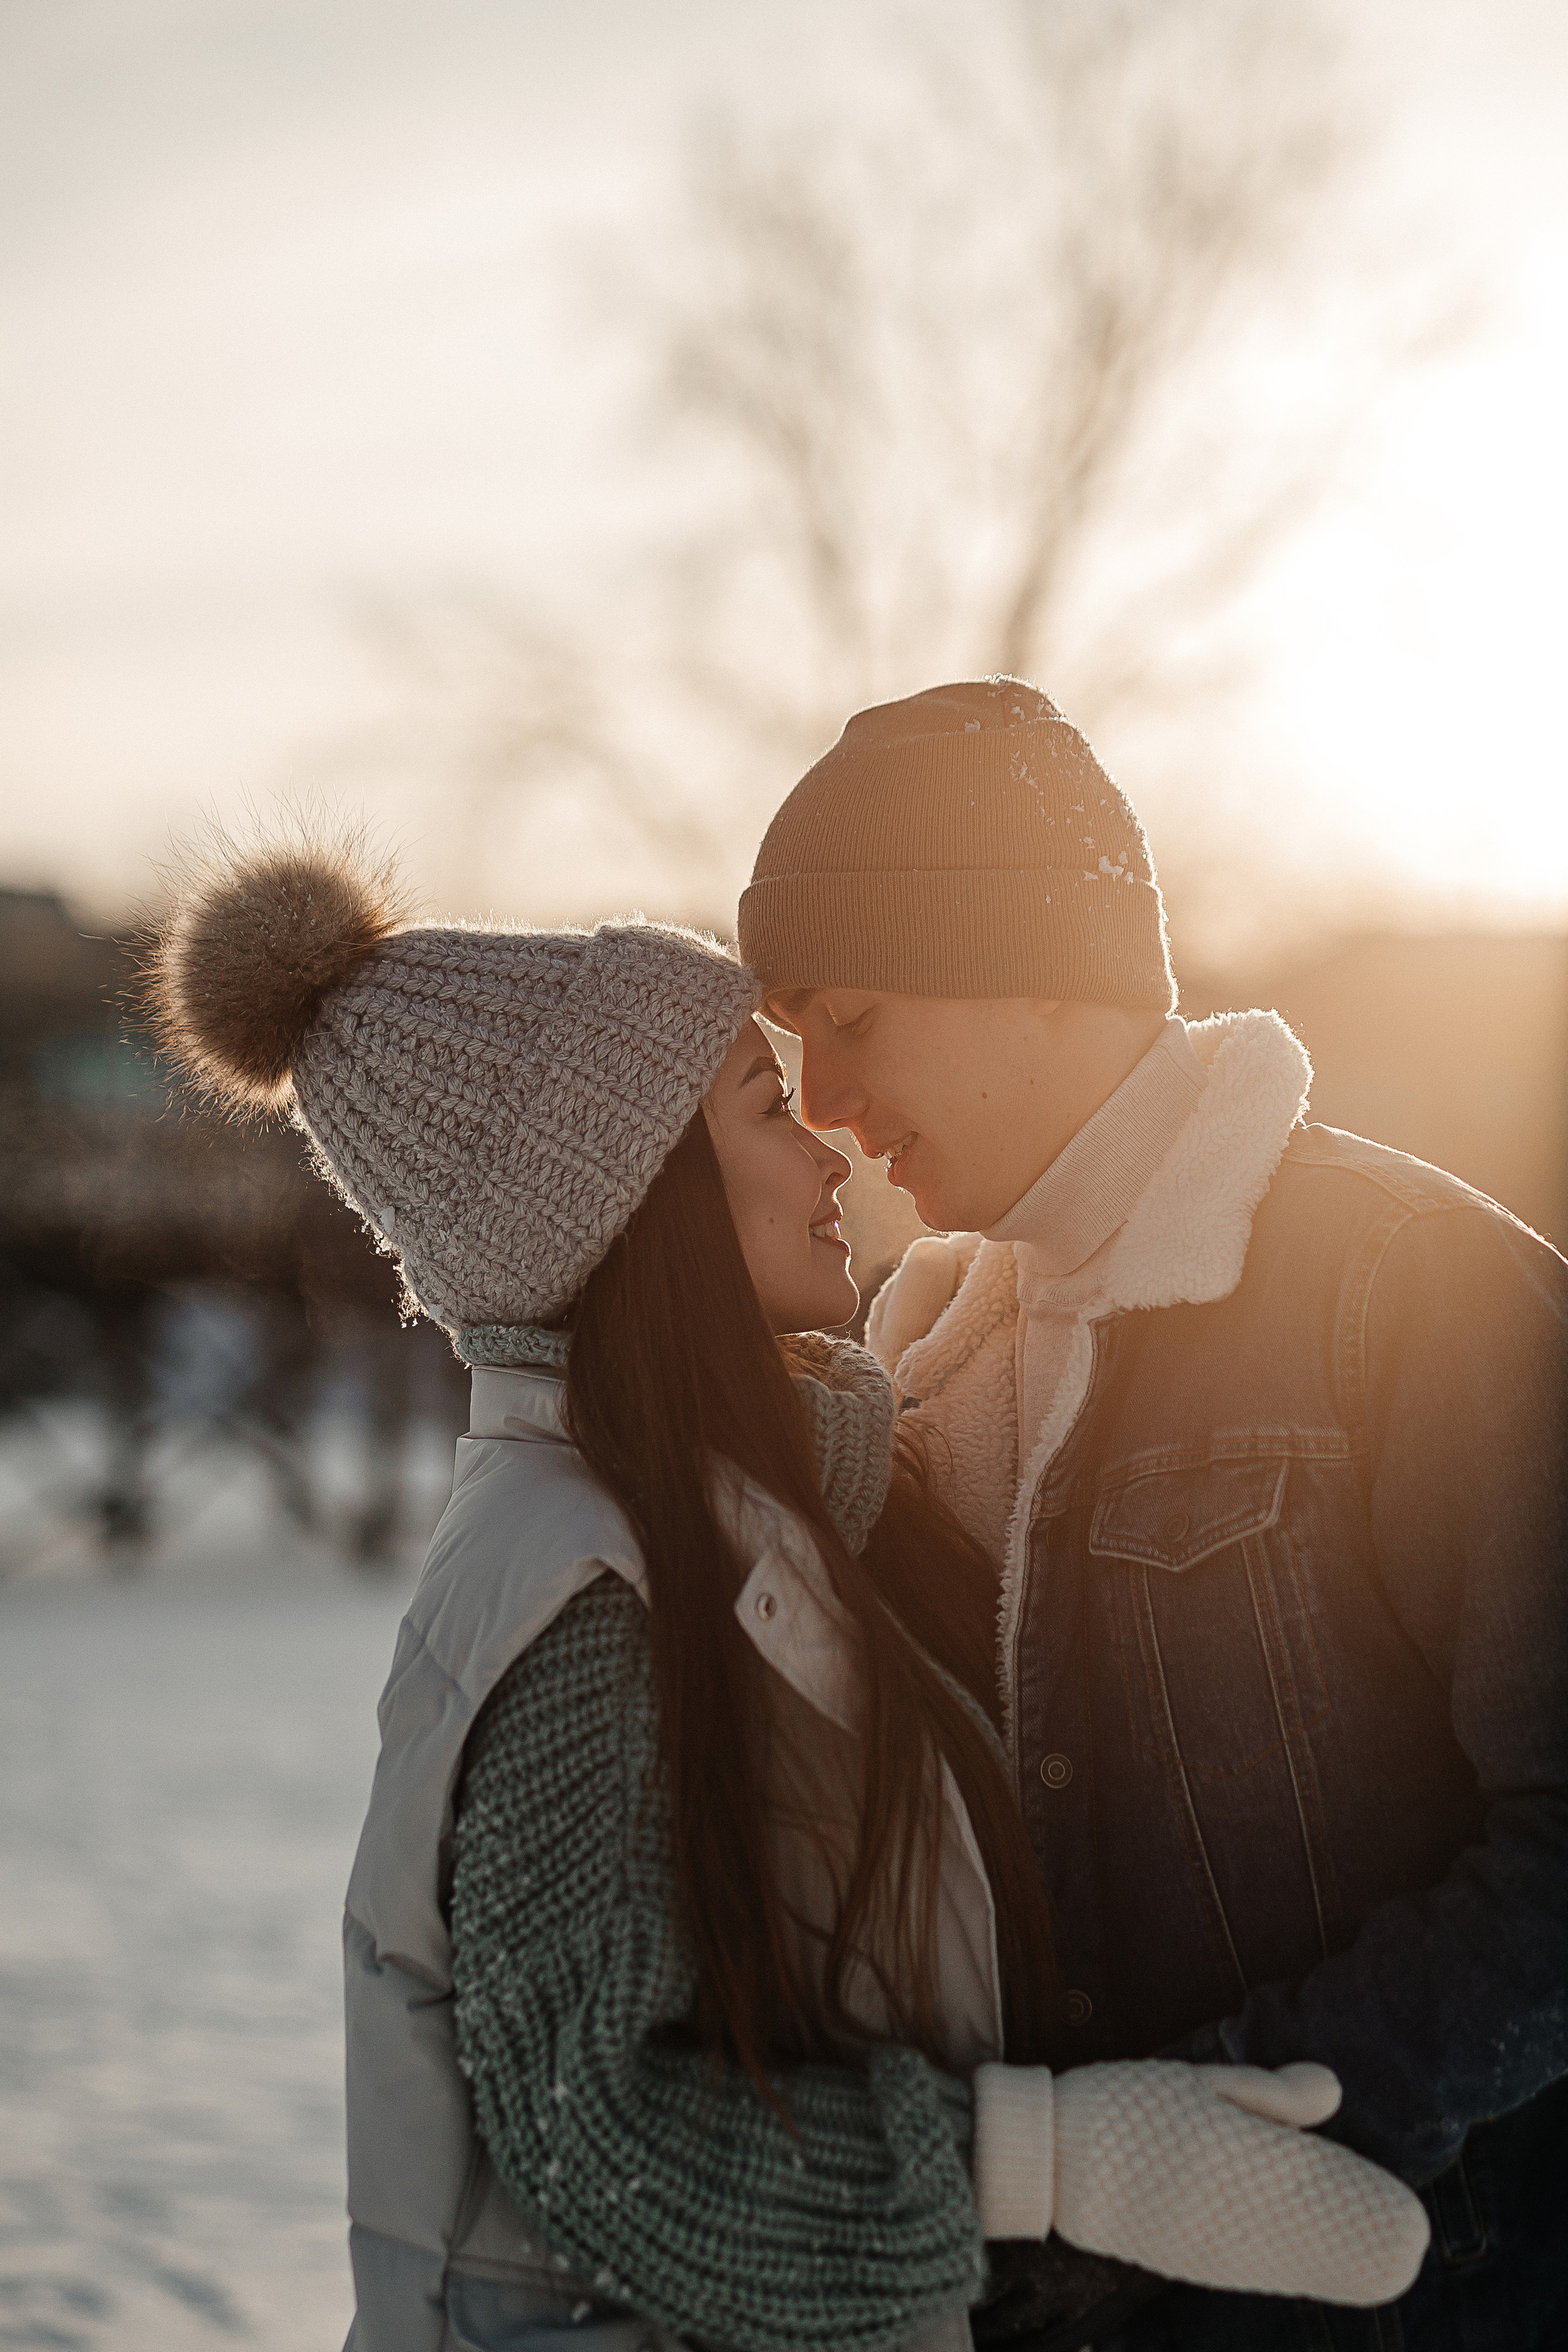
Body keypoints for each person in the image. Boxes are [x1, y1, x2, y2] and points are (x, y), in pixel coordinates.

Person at [149, 831, 1429, 2352]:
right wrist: (1069, 2169)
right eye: (766, 1105)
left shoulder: (738, 1516)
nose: (829, 1148)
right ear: (633, 1201)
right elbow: (606, 2144)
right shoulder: (581, 1593)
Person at [737, 676, 1568, 2352]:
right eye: (792, 1041)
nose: (820, 1097)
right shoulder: (908, 1357)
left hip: (1408, 2303)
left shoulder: (1413, 1292)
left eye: (857, 1018)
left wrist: (1222, 2136)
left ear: (1034, 981)